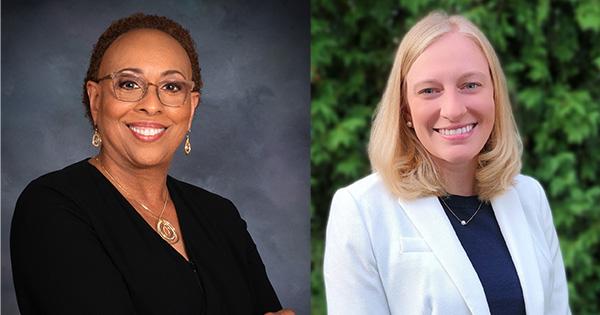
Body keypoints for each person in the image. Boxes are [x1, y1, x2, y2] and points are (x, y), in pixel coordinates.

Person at [11, 13, 293, 315]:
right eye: (129, 84)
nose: (152, 103)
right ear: (95, 100)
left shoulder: (221, 216)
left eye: (171, 87)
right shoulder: (51, 206)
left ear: (191, 107)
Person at [323, 11, 570, 315]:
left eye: (470, 85)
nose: (453, 110)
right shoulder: (360, 210)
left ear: (494, 93)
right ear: (406, 110)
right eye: (429, 91)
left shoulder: (530, 197)